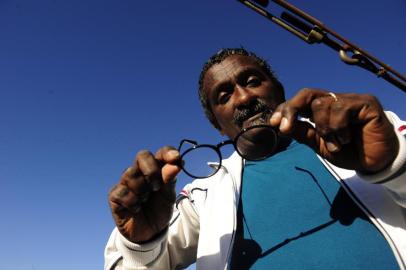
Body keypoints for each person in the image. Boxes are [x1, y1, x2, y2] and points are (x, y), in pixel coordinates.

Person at [104, 48, 406, 270]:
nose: (244, 98)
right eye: (224, 96)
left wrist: (394, 166)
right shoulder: (201, 197)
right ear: (217, 125)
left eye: (252, 81)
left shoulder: (370, 134)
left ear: (279, 90)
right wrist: (141, 245)